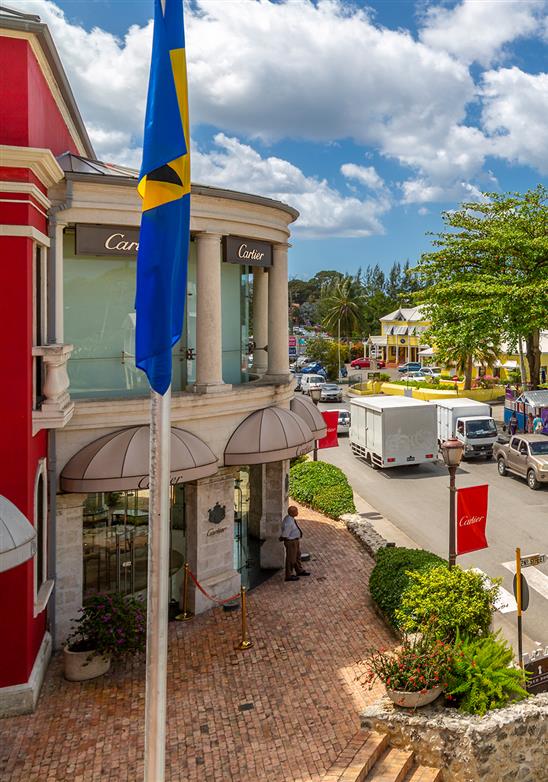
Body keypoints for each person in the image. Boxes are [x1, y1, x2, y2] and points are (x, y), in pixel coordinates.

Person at [279, 506, 310, 582]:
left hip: (295, 541)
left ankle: (299, 570)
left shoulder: (289, 518)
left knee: (297, 556)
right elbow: (285, 534)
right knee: (291, 559)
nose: (297, 512)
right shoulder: (289, 522)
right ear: (292, 513)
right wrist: (282, 538)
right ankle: (289, 575)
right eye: (296, 511)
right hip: (291, 542)